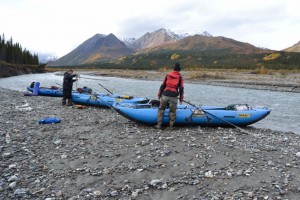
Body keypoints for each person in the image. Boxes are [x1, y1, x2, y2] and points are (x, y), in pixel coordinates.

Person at [156, 63, 184, 130]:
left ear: (173, 69)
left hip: (165, 94)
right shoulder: (180, 78)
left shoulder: (168, 75)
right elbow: (181, 89)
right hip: (174, 96)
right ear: (179, 70)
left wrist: (159, 94)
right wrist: (181, 99)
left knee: (161, 109)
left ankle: (159, 125)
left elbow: (162, 85)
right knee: (172, 112)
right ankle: (171, 127)